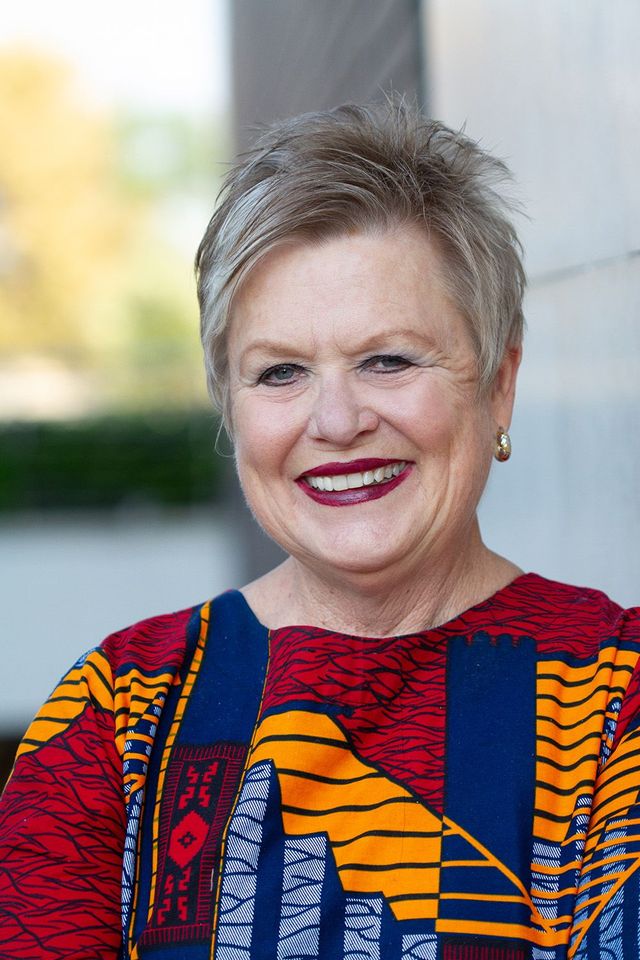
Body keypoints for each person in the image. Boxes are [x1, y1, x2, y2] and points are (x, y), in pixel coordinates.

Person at [1, 97, 638, 960]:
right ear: (229, 406)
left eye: (388, 359)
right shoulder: (116, 713)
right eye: (280, 373)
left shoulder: (612, 699)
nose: (335, 421)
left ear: (498, 382)